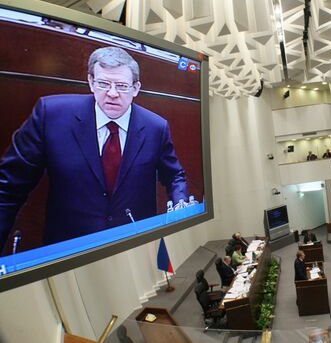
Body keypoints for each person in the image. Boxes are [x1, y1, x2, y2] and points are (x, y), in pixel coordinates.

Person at [0, 46, 189, 248]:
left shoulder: (156, 127)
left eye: (122, 86)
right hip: (69, 251)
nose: (112, 93)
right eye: (103, 83)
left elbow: (175, 175)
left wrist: (181, 206)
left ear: (136, 88)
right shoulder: (51, 115)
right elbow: (8, 188)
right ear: (91, 82)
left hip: (135, 246)